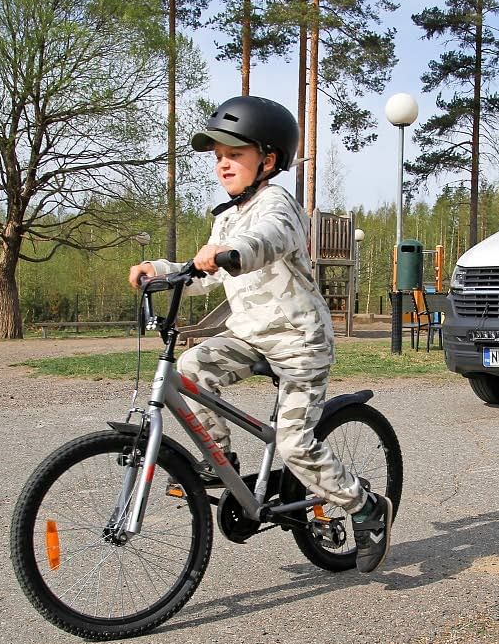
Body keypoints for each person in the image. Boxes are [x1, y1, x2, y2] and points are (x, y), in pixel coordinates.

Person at [127, 95, 393, 572]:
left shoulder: (279, 205)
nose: (223, 164)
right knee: (189, 368)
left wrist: (232, 251)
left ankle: (367, 507)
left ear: (267, 160)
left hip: (299, 343)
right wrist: (160, 269)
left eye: (235, 154)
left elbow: (265, 241)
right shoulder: (226, 216)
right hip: (250, 336)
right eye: (217, 157)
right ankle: (218, 458)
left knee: (293, 445)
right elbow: (203, 271)